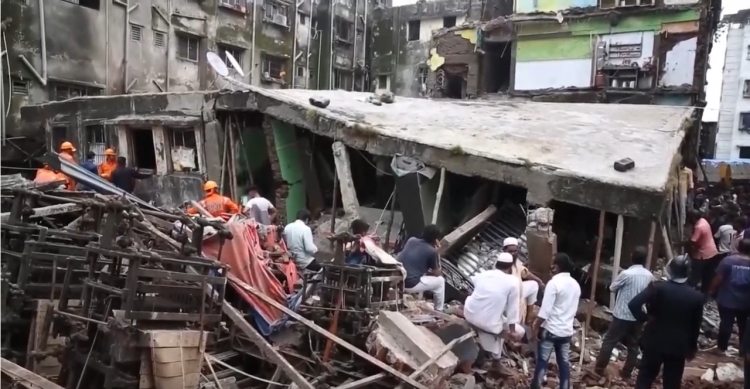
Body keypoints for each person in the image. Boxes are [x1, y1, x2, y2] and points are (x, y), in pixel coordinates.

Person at [628, 255, 704, 389]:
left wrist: (644, 318)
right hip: (679, 346)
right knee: (672, 382)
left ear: (670, 270)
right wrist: (692, 348)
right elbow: (695, 326)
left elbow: (634, 304)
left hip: (654, 341)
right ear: (688, 272)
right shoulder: (696, 297)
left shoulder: (657, 288)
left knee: (645, 378)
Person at [593, 247, 654, 379]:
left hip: (622, 313)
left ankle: (599, 369)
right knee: (633, 346)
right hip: (638, 315)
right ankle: (627, 373)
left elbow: (612, 287)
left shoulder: (626, 274)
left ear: (632, 258)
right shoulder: (649, 276)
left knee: (609, 341)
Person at [463, 252, 523, 373]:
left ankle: (495, 359)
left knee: (498, 320)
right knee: (518, 331)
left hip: (469, 313)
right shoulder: (513, 281)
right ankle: (496, 361)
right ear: (510, 267)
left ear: (496, 264)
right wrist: (512, 331)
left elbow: (465, 286)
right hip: (488, 323)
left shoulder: (483, 274)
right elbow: (513, 309)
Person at [530, 253, 581, 389]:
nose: (551, 267)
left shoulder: (553, 284)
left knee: (542, 361)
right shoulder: (575, 285)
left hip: (551, 330)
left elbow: (545, 311)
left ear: (557, 266)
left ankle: (535, 387)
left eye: (553, 264)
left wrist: (535, 326)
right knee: (564, 363)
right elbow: (574, 310)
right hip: (566, 332)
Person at [710, 238, 750, 356]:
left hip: (727, 299)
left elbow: (718, 278)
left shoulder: (728, 261)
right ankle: (743, 350)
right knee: (743, 325)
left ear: (738, 247)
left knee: (726, 323)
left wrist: (711, 289)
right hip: (746, 301)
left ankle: (722, 348)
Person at [397, 224, 446, 312]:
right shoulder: (432, 251)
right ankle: (439, 310)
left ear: (423, 232)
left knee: (422, 273)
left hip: (398, 280)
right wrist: (438, 252)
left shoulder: (411, 240)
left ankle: (420, 301)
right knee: (440, 281)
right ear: (436, 239)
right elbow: (437, 273)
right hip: (409, 284)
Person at [503, 237, 544, 325]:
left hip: (519, 291)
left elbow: (525, 272)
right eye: (510, 251)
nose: (513, 254)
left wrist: (539, 281)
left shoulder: (515, 261)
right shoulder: (502, 264)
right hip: (509, 299)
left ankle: (529, 315)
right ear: (504, 250)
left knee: (534, 285)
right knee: (515, 324)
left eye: (515, 251)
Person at [686, 209, 720, 294]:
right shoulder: (703, 221)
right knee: (707, 275)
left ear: (693, 218)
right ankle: (704, 294)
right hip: (712, 252)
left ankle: (689, 293)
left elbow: (693, 241)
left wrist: (683, 245)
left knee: (694, 275)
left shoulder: (699, 227)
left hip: (703, 254)